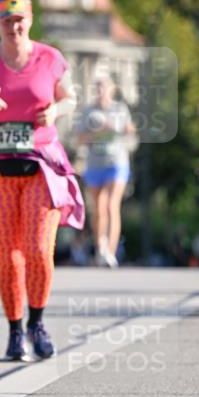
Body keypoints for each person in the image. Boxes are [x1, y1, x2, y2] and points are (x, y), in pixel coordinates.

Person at [0, 0, 83, 362]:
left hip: (41, 164)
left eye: (19, 19)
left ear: (29, 19)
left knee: (38, 250)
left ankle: (38, 322)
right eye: (6, 20)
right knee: (9, 255)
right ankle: (15, 330)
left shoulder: (49, 58)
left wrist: (56, 111)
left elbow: (70, 97)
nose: (13, 26)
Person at [76, 73, 136, 267]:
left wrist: (114, 126)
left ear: (111, 90)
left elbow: (130, 129)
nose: (100, 91)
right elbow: (80, 139)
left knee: (111, 205)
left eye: (104, 87)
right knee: (98, 209)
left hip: (116, 162)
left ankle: (111, 252)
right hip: (95, 164)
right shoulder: (88, 112)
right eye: (97, 88)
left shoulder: (119, 109)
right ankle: (100, 246)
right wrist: (96, 131)